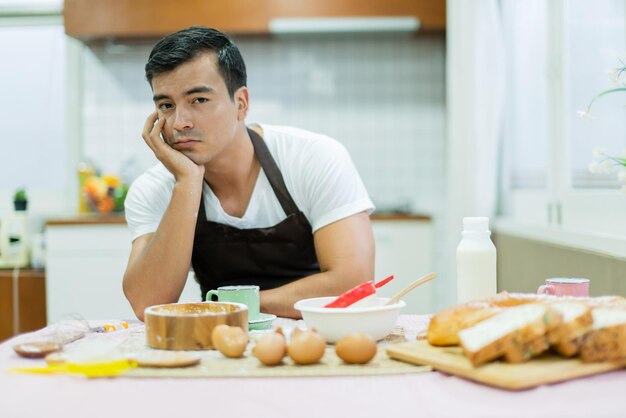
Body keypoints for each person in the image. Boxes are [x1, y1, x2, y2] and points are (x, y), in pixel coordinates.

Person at [122, 26, 375, 320]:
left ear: (241, 104)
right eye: (166, 105)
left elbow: (353, 283)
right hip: (220, 339)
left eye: (199, 100)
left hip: (318, 332)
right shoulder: (153, 189)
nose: (180, 122)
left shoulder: (313, 157)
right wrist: (187, 183)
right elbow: (147, 302)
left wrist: (234, 306)